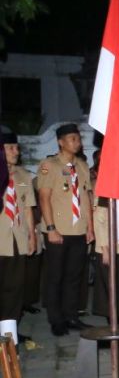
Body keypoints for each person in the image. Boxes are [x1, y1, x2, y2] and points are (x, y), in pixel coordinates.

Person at [37, 124, 94, 336]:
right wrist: (51, 228)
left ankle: (71, 316)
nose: (77, 142)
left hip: (78, 230)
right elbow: (44, 197)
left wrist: (90, 227)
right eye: (72, 139)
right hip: (58, 230)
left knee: (74, 277)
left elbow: (86, 198)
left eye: (78, 138)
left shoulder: (82, 166)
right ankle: (56, 319)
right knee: (55, 277)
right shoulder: (49, 165)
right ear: (61, 142)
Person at [0, 132, 36, 325]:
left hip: (18, 239)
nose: (16, 152)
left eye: (17, 148)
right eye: (10, 148)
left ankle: (9, 332)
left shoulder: (23, 175)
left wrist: (32, 236)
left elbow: (28, 207)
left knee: (15, 288)